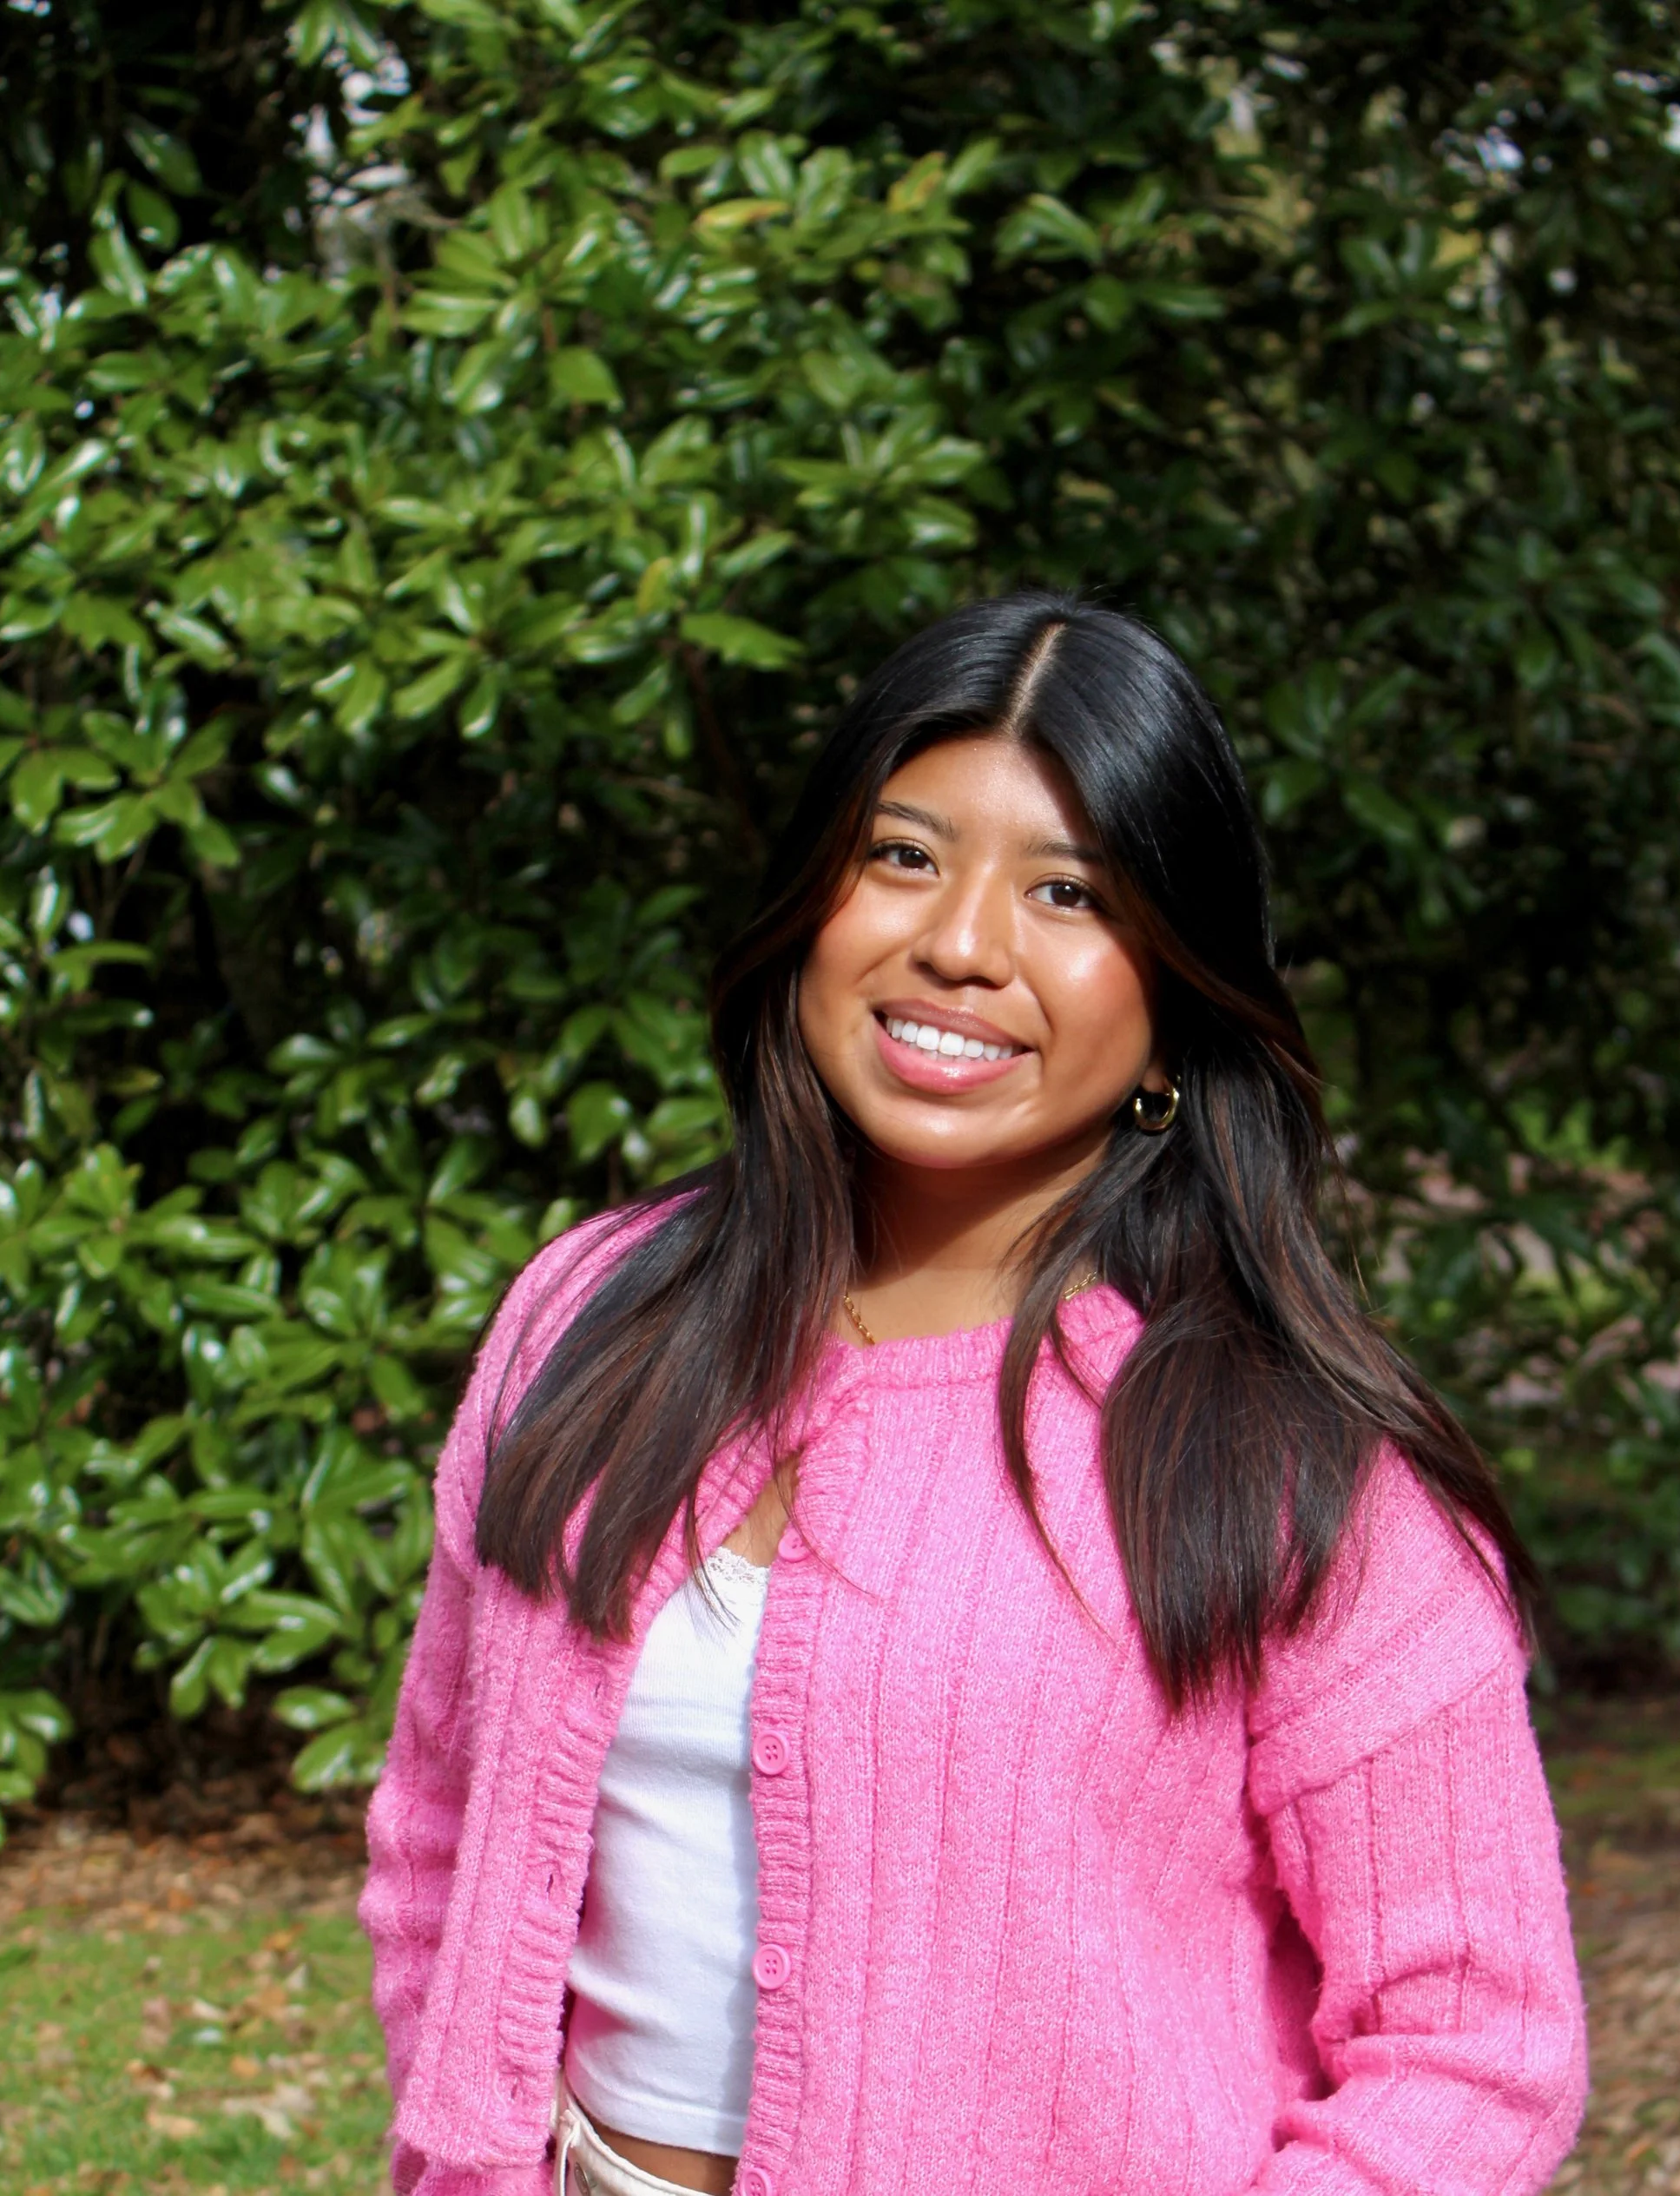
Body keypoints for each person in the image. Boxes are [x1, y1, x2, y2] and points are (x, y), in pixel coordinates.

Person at [359, 593, 1588, 2196]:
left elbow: (1475, 2047)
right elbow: (439, 1833)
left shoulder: (1285, 1461)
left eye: (1068, 891)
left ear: (1175, 991)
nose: (962, 944)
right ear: (811, 900)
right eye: (904, 856)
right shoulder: (590, 1317)